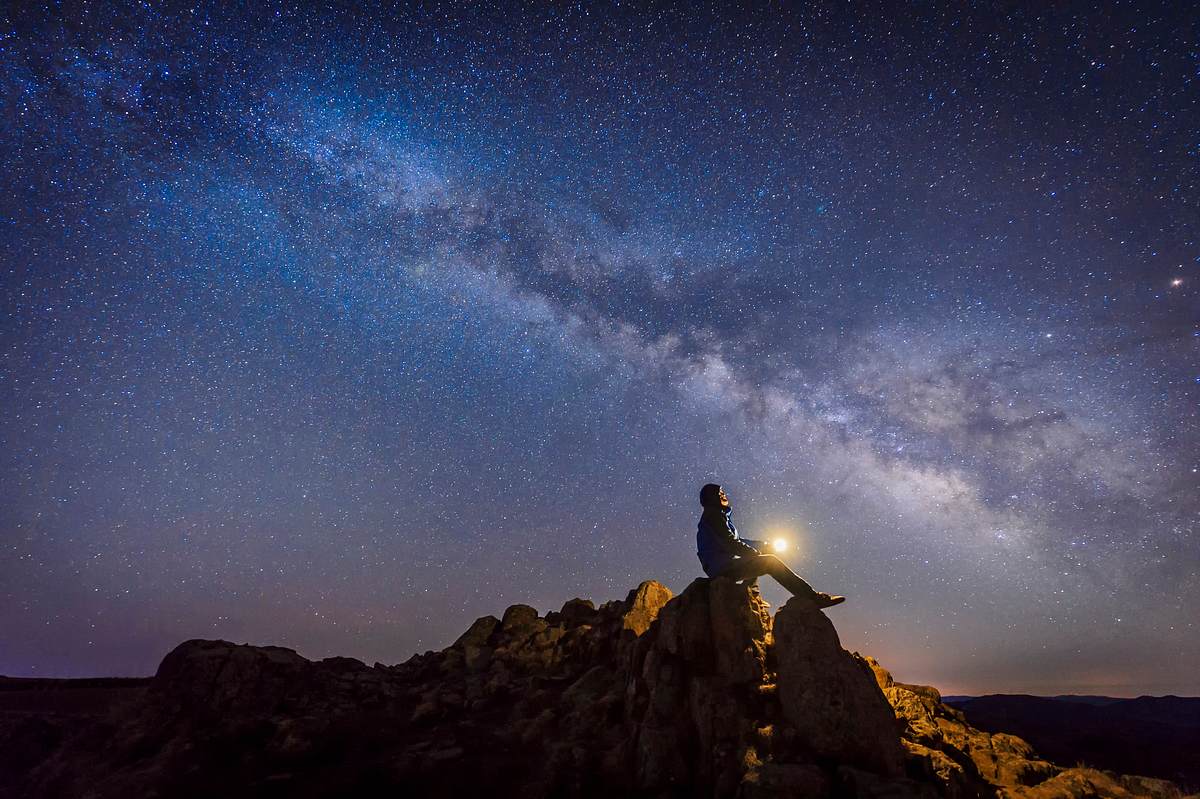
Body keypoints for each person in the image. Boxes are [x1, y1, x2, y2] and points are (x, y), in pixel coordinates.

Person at [696, 483, 845, 609]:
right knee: (770, 562)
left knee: (758, 555)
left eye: (723, 492)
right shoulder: (713, 516)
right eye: (719, 493)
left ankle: (751, 594)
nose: (724, 495)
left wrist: (763, 545)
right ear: (711, 498)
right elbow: (730, 543)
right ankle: (812, 597)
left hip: (721, 565)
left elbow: (737, 540)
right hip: (721, 567)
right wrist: (755, 553)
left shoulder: (717, 516)